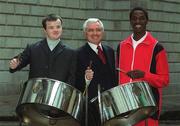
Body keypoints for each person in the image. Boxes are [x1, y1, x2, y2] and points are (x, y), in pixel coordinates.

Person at [116, 7, 169, 126]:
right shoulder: (121, 46)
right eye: (134, 19)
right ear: (130, 21)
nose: (137, 22)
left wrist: (144, 75)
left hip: (148, 109)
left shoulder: (157, 47)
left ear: (147, 21)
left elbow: (164, 80)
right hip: (125, 109)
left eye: (141, 18)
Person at [9, 14, 76, 86]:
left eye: (58, 27)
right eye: (51, 27)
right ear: (45, 30)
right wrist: (14, 65)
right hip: (36, 93)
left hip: (58, 95)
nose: (55, 30)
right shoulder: (32, 48)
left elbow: (72, 78)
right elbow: (19, 61)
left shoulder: (71, 53)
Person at [75, 18, 117, 126]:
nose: (95, 33)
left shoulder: (110, 51)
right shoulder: (78, 54)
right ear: (85, 33)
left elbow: (113, 79)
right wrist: (85, 79)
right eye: (90, 30)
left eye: (98, 30)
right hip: (90, 110)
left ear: (102, 32)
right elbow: (74, 83)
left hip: (109, 107)